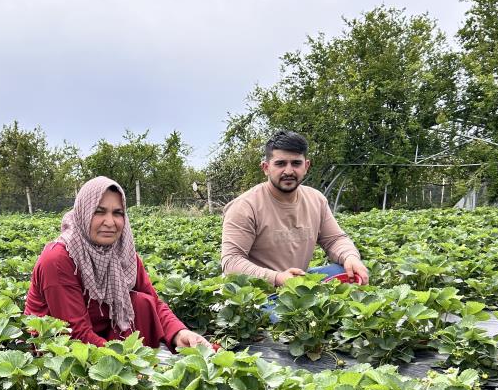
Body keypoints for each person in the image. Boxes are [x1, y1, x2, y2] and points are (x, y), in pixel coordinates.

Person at [25, 176, 209, 350]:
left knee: (142, 303)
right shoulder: (58, 259)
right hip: (60, 347)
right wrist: (128, 362)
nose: (110, 222)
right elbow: (75, 334)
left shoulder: (122, 252)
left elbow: (154, 302)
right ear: (83, 213)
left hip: (104, 338)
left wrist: (180, 333)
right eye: (99, 211)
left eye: (117, 213)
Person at [221, 130, 370, 287]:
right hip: (258, 291)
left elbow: (334, 239)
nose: (289, 171)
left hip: (296, 282)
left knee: (348, 270)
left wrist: (350, 257)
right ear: (266, 167)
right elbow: (231, 261)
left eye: (296, 163)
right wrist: (277, 278)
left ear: (306, 166)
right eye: (280, 164)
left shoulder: (316, 199)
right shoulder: (245, 206)